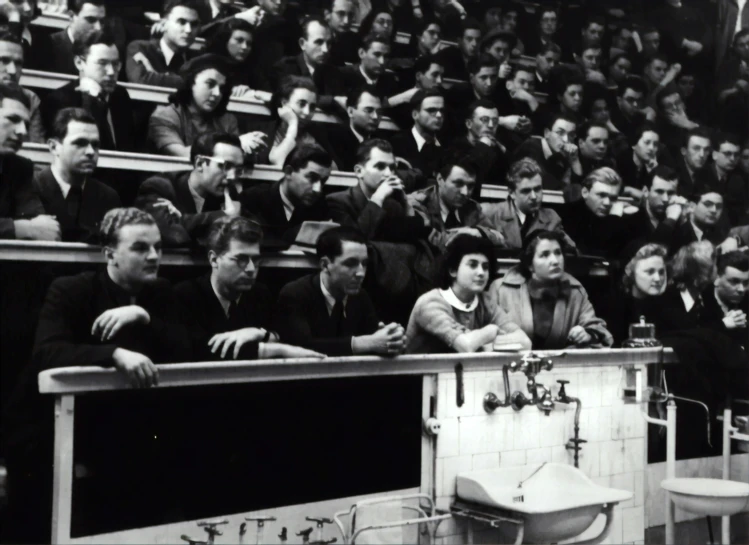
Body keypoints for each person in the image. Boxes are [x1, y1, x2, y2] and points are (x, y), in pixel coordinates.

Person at [176, 216, 325, 360]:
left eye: (256, 259)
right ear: (214, 259)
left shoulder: (260, 294)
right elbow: (200, 351)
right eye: (241, 259)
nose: (251, 268)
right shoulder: (186, 295)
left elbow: (288, 336)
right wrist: (274, 349)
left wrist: (259, 334)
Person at [275, 226, 406, 356]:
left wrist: (391, 339)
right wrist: (363, 343)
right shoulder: (294, 294)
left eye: (365, 263)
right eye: (350, 263)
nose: (361, 273)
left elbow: (375, 341)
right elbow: (301, 348)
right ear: (325, 265)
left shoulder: (360, 296)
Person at [405, 234, 531, 354]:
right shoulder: (430, 303)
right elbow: (466, 345)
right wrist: (492, 331)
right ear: (453, 270)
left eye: (485, 267)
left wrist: (485, 343)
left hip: (458, 373)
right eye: (473, 265)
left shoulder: (485, 302)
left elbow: (525, 342)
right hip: (418, 375)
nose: (481, 272)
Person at [490, 230, 612, 349]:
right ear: (530, 264)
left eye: (558, 253)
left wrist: (588, 335)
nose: (555, 261)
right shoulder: (501, 289)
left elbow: (598, 329)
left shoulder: (575, 290)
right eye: (545, 255)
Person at [135, 132, 248, 246]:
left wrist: (182, 220)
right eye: (226, 166)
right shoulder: (158, 187)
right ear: (199, 163)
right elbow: (173, 237)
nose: (232, 177)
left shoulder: (228, 192)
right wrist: (224, 215)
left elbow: (236, 240)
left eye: (238, 169)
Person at [148, 54, 266, 158]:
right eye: (210, 84)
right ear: (191, 84)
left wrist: (251, 146)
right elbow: (183, 154)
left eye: (221, 88)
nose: (217, 93)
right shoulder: (165, 115)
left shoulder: (227, 120)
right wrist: (236, 142)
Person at [33, 108, 120, 242]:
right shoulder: (31, 187)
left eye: (96, 145)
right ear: (54, 147)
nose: (91, 152)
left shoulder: (108, 196)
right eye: (80, 143)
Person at [41, 29, 136, 152]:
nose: (111, 72)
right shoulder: (60, 100)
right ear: (79, 63)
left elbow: (129, 148)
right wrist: (92, 100)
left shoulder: (121, 95)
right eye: (102, 63)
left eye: (116, 64)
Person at [327, 138, 431, 244]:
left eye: (392, 168)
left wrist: (406, 203)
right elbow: (355, 243)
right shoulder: (337, 201)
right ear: (359, 171)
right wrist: (378, 198)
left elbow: (411, 242)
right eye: (380, 166)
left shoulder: (394, 205)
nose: (389, 174)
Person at [240, 144, 333, 245]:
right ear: (288, 172)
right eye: (312, 178)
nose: (318, 189)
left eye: (323, 181)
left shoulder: (320, 206)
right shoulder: (254, 198)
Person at [0, 82, 59, 240]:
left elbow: (42, 225)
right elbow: (32, 228)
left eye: (26, 124)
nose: (23, 131)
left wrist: (32, 228)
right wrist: (20, 228)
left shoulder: (20, 167)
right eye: (13, 119)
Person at [407, 159, 504, 251]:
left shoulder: (471, 207)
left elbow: (500, 238)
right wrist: (471, 234)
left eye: (470, 186)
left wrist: (480, 232)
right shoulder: (417, 203)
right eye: (458, 183)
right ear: (440, 179)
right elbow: (434, 241)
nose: (465, 192)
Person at [480, 158, 576, 251]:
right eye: (526, 191)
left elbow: (571, 251)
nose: (534, 196)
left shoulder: (551, 218)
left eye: (538, 189)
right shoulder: (489, 213)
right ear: (511, 192)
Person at [272, 17, 345, 113]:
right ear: (302, 43)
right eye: (319, 42)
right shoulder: (285, 67)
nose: (325, 49)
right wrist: (332, 101)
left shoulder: (334, 73)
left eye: (329, 43)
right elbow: (287, 98)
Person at [125, 0, 200, 87]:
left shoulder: (198, 59)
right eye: (181, 22)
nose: (188, 30)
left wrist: (158, 77)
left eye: (194, 24)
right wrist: (191, 82)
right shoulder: (140, 48)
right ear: (163, 24)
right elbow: (141, 79)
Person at [445, 98, 509, 199]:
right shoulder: (455, 148)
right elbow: (467, 178)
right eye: (484, 120)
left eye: (495, 121)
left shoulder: (499, 150)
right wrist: (482, 147)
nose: (491, 125)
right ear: (469, 124)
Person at [559, 167, 627, 258]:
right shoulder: (567, 215)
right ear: (585, 192)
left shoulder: (617, 218)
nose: (607, 203)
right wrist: (613, 218)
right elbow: (590, 254)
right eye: (602, 195)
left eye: (613, 198)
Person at [514, 113, 582, 191]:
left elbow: (577, 191)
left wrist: (575, 161)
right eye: (560, 133)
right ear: (547, 133)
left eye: (571, 134)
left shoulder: (562, 156)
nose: (566, 140)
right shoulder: (531, 145)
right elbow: (543, 182)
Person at [390, 89, 444, 187]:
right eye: (431, 110)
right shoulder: (397, 144)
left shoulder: (447, 146)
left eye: (442, 111)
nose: (439, 115)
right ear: (415, 114)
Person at [205, 18, 269, 95]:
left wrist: (252, 92)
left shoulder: (252, 70)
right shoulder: (206, 65)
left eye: (249, 43)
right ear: (225, 40)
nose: (245, 47)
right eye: (239, 40)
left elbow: (269, 95)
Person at [0, 29, 43, 142]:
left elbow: (34, 148)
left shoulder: (30, 98)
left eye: (18, 63)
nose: (12, 71)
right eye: (3, 60)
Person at [328, 85, 384, 171]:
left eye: (379, 112)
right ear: (350, 111)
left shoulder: (383, 141)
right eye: (369, 110)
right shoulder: (334, 140)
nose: (375, 117)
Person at [701, 250, 748, 350]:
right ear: (717, 278)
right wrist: (723, 325)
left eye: (746, 283)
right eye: (734, 282)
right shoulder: (701, 300)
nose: (741, 289)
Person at [43, 0, 106, 75]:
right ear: (71, 16)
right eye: (91, 20)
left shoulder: (107, 51)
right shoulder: (48, 46)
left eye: (102, 21)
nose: (98, 28)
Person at [700, 133, 748, 227]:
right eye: (727, 154)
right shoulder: (701, 176)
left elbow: (739, 213)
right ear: (714, 155)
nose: (732, 159)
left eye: (736, 155)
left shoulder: (738, 180)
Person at [339, 33, 400, 101]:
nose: (382, 62)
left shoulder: (390, 80)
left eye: (386, 57)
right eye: (377, 55)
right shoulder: (342, 76)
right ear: (361, 53)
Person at [615, 121, 663, 200]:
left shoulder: (654, 166)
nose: (651, 148)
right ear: (634, 144)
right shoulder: (620, 162)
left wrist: (653, 173)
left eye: (655, 144)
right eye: (647, 143)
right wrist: (630, 190)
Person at [436, 17, 481, 81]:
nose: (475, 44)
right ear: (459, 40)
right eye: (469, 39)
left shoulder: (480, 61)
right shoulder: (446, 57)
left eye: (478, 40)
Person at [675, 127, 712, 197]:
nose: (702, 154)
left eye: (706, 149)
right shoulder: (673, 173)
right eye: (696, 148)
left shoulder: (709, 175)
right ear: (684, 151)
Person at [325, 0, 360, 67]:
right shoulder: (317, 38)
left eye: (350, 15)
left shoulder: (355, 41)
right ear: (327, 14)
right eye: (341, 14)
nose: (346, 21)